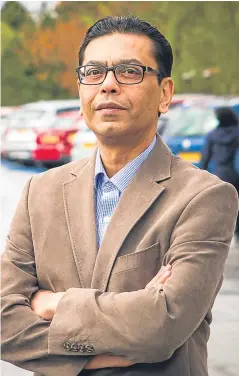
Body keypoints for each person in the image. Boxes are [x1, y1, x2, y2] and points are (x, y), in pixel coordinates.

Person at [1, 15, 238, 376]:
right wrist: (89, 359)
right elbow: (2, 318)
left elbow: (163, 324)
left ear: (165, 93)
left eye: (130, 71)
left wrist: (54, 303)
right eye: (93, 72)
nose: (108, 85)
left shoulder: (204, 197)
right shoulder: (41, 191)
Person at [200, 107, 239, 239]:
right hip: (235, 174)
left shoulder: (212, 135)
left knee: (218, 205)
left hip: (218, 174)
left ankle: (218, 234)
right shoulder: (237, 133)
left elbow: (205, 157)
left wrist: (202, 175)